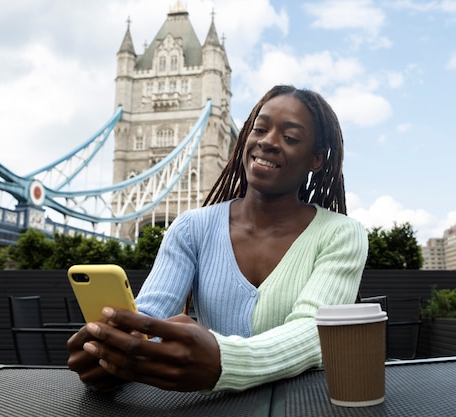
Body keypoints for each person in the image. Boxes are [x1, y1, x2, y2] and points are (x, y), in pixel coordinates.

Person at [67, 84, 368, 393]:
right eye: (259, 129)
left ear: (316, 160)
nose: (268, 141)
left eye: (290, 138)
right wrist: (114, 348)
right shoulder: (190, 228)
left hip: (304, 404)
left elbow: (315, 331)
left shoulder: (341, 234)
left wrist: (226, 360)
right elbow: (149, 316)